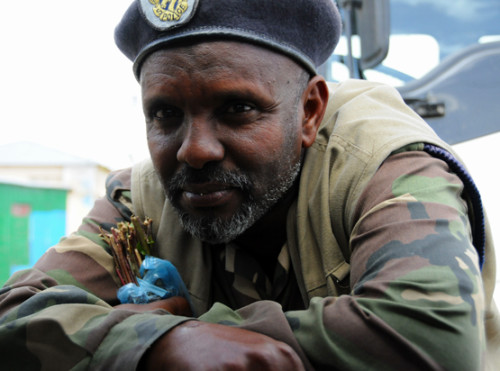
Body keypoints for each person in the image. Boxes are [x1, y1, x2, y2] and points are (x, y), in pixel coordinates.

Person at [1, 0, 499, 369]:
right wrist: (157, 347)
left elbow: (433, 341)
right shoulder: (145, 196)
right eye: (166, 114)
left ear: (309, 112)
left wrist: (179, 333)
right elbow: (12, 315)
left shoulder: (381, 166)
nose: (193, 150)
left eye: (237, 108)